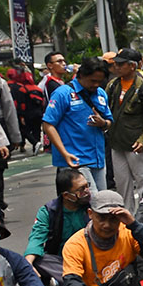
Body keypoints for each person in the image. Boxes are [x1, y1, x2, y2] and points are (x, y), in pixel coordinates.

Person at [42, 56, 111, 194]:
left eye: (100, 81)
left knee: (102, 201)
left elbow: (109, 121)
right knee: (90, 201)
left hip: (97, 159)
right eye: (93, 81)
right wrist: (65, 153)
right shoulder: (63, 94)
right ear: (82, 75)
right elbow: (48, 124)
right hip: (75, 161)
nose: (96, 84)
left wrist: (103, 123)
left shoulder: (100, 94)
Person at [105, 47, 143, 212]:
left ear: (132, 66)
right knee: (122, 184)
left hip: (137, 144)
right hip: (117, 143)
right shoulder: (113, 86)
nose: (117, 67)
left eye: (121, 64)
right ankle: (126, 217)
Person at [25, 167, 90, 286]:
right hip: (62, 261)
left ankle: (64, 282)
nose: (87, 192)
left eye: (87, 186)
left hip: (92, 257)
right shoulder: (48, 211)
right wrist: (28, 264)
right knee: (38, 261)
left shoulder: (93, 206)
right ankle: (82, 282)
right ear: (66, 195)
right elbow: (37, 237)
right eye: (81, 190)